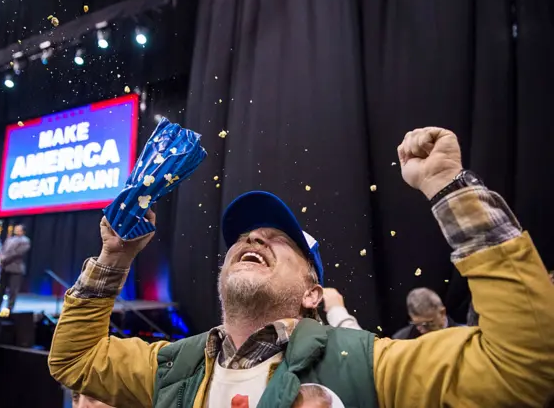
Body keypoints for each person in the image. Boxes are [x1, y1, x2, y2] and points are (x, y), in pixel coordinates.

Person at [48, 127, 554, 407]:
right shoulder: (174, 366)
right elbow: (74, 363)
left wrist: (449, 188)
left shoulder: (370, 365)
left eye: (277, 240)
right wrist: (114, 258)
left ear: (313, 292)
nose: (252, 238)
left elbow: (523, 368)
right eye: (245, 237)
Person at [391, 287, 460, 339]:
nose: (423, 331)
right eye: (417, 324)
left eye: (428, 324)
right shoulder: (401, 340)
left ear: (442, 313)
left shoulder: (464, 337)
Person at [0, 224, 31, 313]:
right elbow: (3, 250)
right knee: (1, 289)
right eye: (16, 229)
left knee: (13, 290)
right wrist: (0, 257)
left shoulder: (25, 241)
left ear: (23, 231)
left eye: (19, 229)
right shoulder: (10, 239)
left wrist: (5, 258)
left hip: (15, 269)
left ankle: (9, 309)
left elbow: (17, 253)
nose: (16, 230)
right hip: (5, 267)